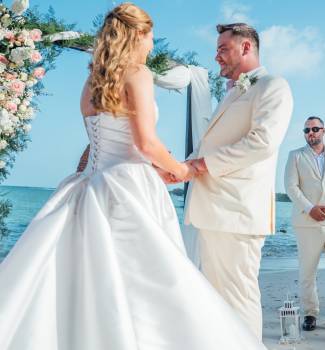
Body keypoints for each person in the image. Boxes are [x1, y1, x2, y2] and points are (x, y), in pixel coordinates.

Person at [0, 5, 265, 349]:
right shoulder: (137, 74)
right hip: (128, 187)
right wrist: (179, 168)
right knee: (151, 281)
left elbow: (96, 141)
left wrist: (93, 172)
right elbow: (145, 142)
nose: (153, 44)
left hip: (88, 183)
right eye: (151, 36)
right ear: (138, 34)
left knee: (84, 279)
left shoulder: (92, 79)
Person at [184, 22, 293, 340]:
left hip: (237, 213)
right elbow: (214, 143)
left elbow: (262, 142)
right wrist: (183, 166)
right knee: (219, 299)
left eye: (223, 49)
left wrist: (200, 166)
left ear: (246, 48)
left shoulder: (273, 86)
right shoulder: (235, 92)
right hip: (216, 211)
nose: (216, 56)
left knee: (239, 298)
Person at [284, 116, 325, 331]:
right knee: (307, 271)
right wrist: (309, 208)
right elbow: (291, 187)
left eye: (315, 129)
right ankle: (310, 313)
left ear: (324, 131)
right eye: (306, 130)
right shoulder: (295, 155)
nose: (310, 133)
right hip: (307, 222)